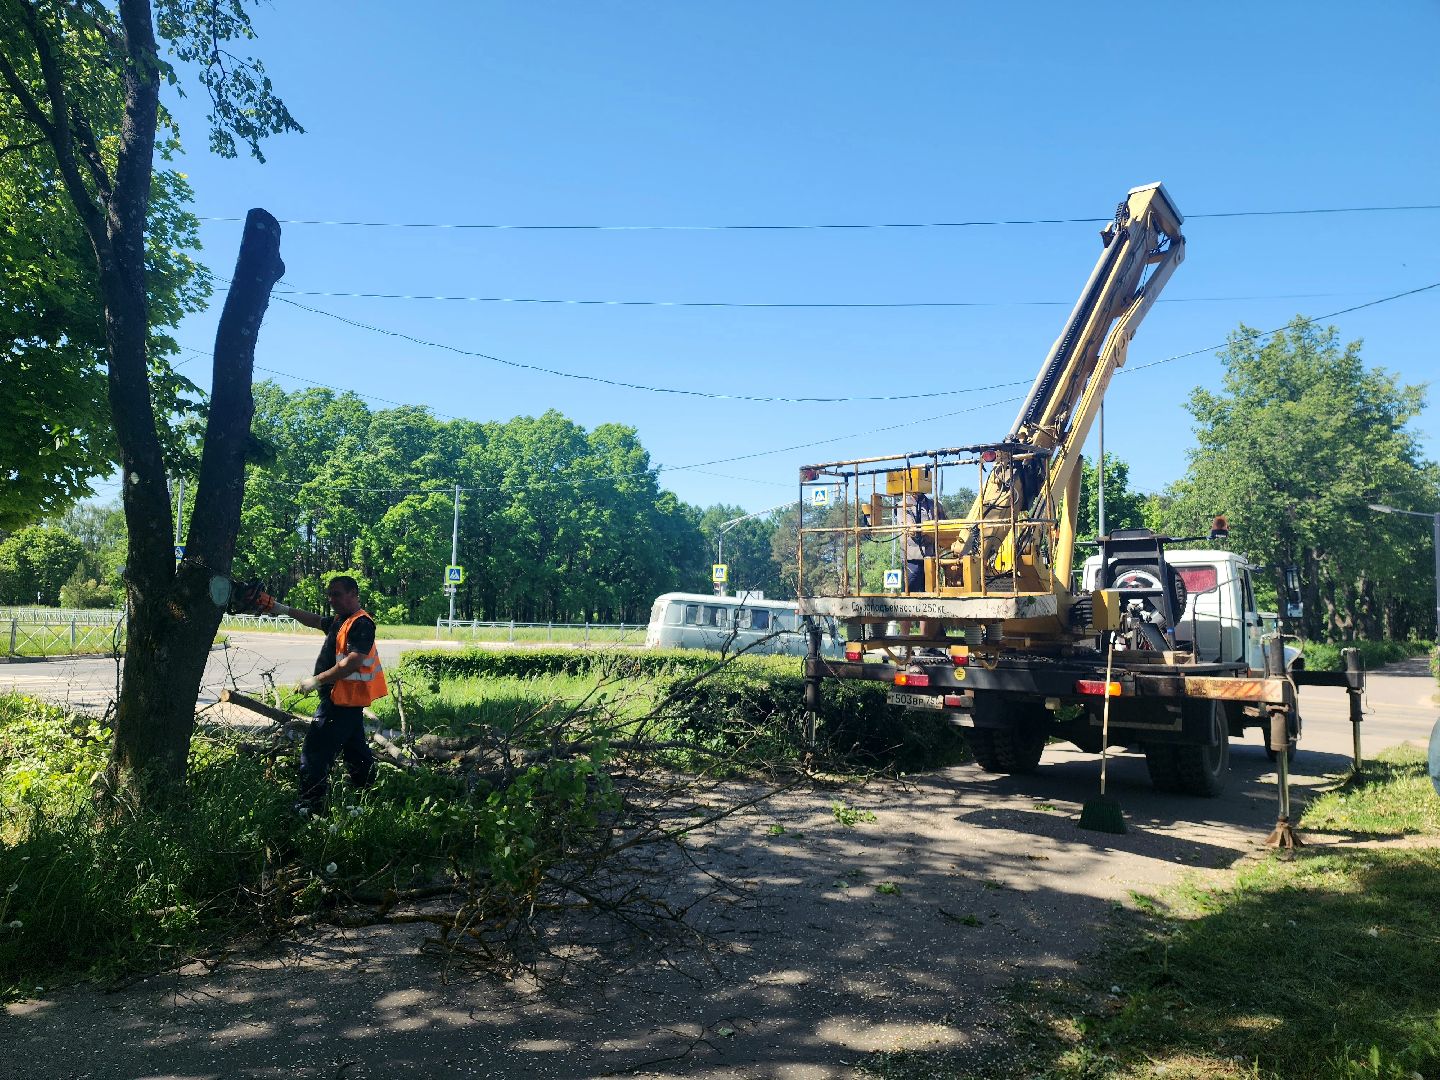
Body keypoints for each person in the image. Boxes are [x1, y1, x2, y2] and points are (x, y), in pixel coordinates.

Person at [268, 576, 388, 813]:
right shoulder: (341, 620)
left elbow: (353, 662)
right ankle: (370, 795)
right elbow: (314, 620)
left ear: (353, 593)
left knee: (314, 752)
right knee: (356, 752)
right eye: (330, 594)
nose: (331, 599)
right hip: (347, 700)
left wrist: (316, 680)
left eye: (337, 594)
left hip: (340, 699)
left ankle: (310, 805)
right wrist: (283, 609)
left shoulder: (361, 623)